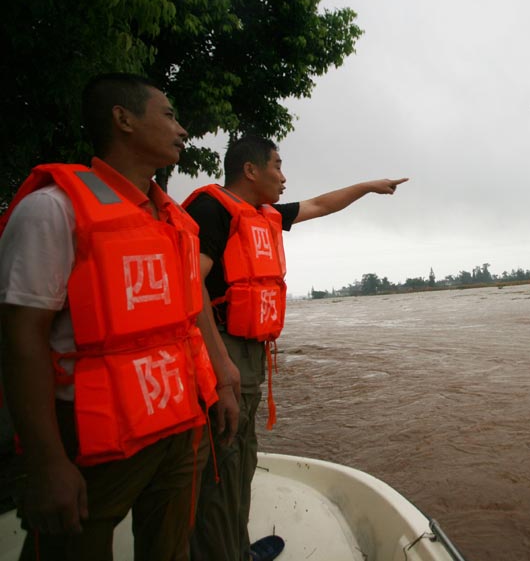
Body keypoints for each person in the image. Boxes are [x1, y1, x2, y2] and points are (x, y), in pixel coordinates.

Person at [0, 73, 239, 560]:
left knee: (171, 552)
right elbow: (21, 338)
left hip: (179, 427)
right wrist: (46, 462)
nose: (182, 129)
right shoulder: (54, 210)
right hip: (92, 438)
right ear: (123, 119)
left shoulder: (175, 222)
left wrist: (222, 379)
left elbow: (191, 310)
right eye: (169, 115)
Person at [183, 135, 407, 561]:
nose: (284, 177)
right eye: (277, 166)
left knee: (242, 458)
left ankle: (234, 549)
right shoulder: (212, 210)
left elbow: (320, 205)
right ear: (250, 170)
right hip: (221, 350)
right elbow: (189, 287)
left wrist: (368, 187)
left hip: (249, 352)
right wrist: (221, 366)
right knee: (221, 464)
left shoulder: (262, 215)